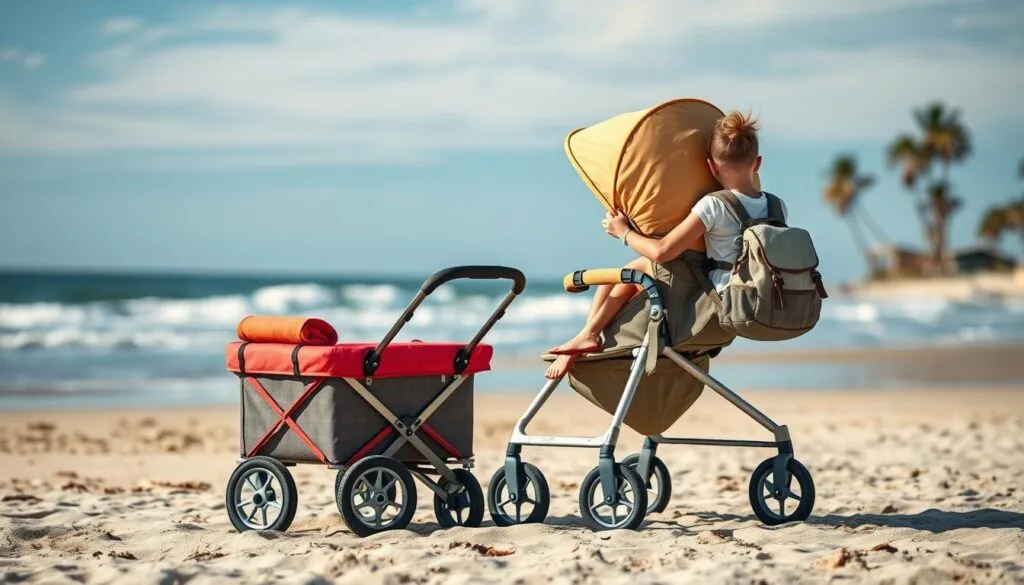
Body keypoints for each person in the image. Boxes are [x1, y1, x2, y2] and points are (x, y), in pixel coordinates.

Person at [544, 110, 787, 379]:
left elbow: (662, 252)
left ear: (711, 167)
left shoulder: (715, 205)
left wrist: (623, 232)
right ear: (758, 163)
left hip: (720, 307)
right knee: (630, 272)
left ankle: (588, 334)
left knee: (634, 270)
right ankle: (586, 335)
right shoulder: (777, 206)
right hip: (760, 303)